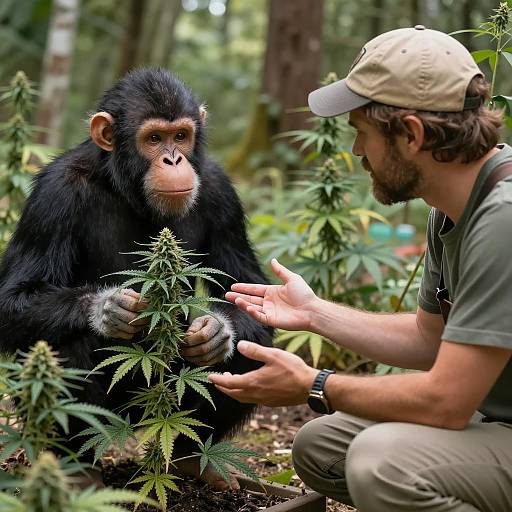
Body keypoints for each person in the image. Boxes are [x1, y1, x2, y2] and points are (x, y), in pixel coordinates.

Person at [209, 26, 512, 512]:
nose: (355, 153)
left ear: (410, 134)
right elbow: (428, 341)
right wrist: (316, 314)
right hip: (496, 423)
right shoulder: (450, 210)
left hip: (486, 421)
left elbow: (446, 402)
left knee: (381, 463)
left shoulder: (503, 219)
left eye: (362, 134)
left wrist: (313, 384)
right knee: (324, 448)